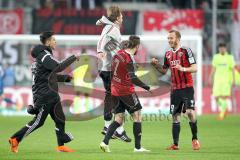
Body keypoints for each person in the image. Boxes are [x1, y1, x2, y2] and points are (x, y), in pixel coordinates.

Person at [9, 31, 78, 153]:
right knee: (38, 122)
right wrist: (73, 57)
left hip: (50, 94)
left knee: (60, 118)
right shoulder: (45, 56)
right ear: (48, 42)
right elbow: (59, 67)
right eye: (54, 39)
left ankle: (61, 146)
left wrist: (65, 79)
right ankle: (15, 138)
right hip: (45, 96)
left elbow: (48, 76)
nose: (55, 41)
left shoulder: (43, 56)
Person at [100, 35, 151, 153]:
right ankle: (138, 148)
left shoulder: (118, 54)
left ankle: (105, 142)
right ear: (137, 46)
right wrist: (146, 87)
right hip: (126, 91)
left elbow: (113, 71)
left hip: (114, 90)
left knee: (118, 118)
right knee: (137, 115)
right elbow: (132, 78)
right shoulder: (129, 58)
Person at [151, 30, 200, 150]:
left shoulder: (186, 51)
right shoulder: (167, 54)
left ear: (178, 38)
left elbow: (195, 68)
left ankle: (194, 139)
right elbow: (164, 70)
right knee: (175, 116)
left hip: (187, 87)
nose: (169, 40)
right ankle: (175, 144)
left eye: (171, 38)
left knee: (189, 112)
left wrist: (182, 68)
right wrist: (155, 65)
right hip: (175, 89)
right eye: (168, 38)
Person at [96, 5, 131, 142]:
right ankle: (119, 130)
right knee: (119, 98)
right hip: (109, 69)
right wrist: (100, 51)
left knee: (110, 97)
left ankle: (108, 127)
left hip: (106, 69)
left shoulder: (109, 26)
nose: (123, 18)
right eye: (121, 16)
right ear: (117, 18)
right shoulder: (113, 28)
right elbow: (102, 41)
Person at [209, 43, 236, 120]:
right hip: (217, 80)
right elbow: (214, 68)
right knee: (216, 96)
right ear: (219, 49)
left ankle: (221, 114)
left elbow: (233, 69)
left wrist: (233, 79)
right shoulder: (216, 57)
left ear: (225, 48)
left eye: (223, 48)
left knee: (224, 97)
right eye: (220, 48)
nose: (222, 49)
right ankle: (224, 108)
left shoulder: (230, 57)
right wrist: (210, 77)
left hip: (226, 80)